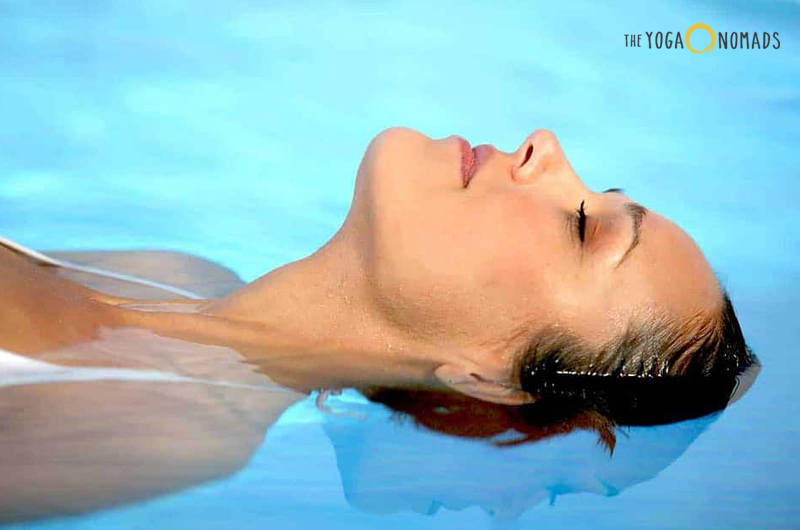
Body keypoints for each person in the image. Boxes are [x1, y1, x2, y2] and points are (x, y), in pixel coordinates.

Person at [0, 126, 757, 521]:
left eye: (584, 227)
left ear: (489, 368)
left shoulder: (173, 433)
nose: (545, 146)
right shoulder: (177, 274)